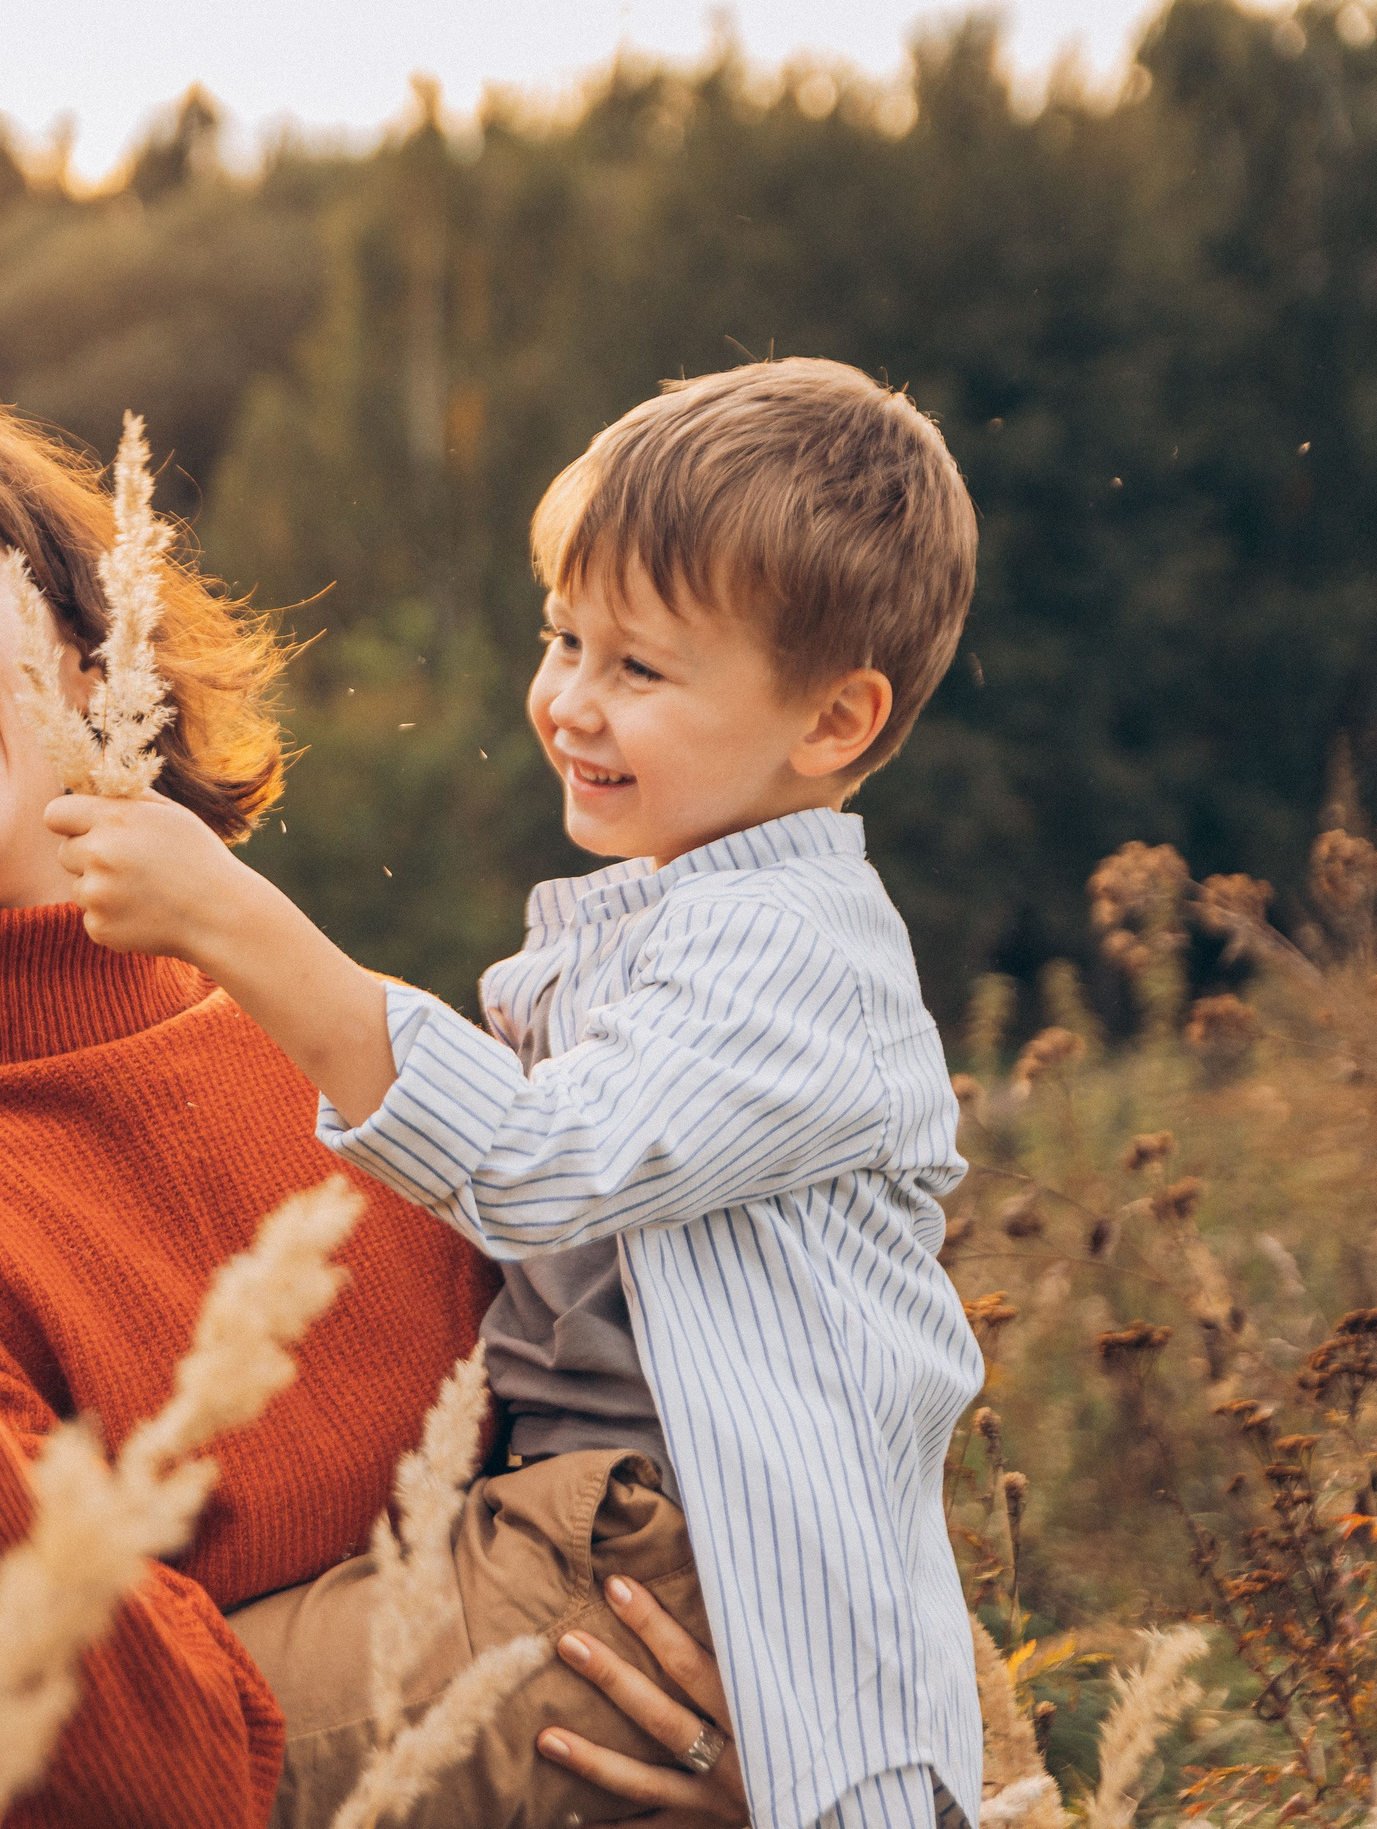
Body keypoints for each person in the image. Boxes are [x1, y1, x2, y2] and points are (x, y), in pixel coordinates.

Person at [0, 379, 752, 1828]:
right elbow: (118, 1788)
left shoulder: (337, 1040)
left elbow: (623, 1461)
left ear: (79, 653)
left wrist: (725, 1727)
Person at [50, 357, 989, 1829]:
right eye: (563, 639)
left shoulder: (789, 957)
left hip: (658, 1559)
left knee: (145, 1746)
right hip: (575, 1529)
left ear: (833, 723)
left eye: (641, 669)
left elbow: (540, 1162)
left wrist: (232, 920)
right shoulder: (680, 919)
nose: (568, 701)